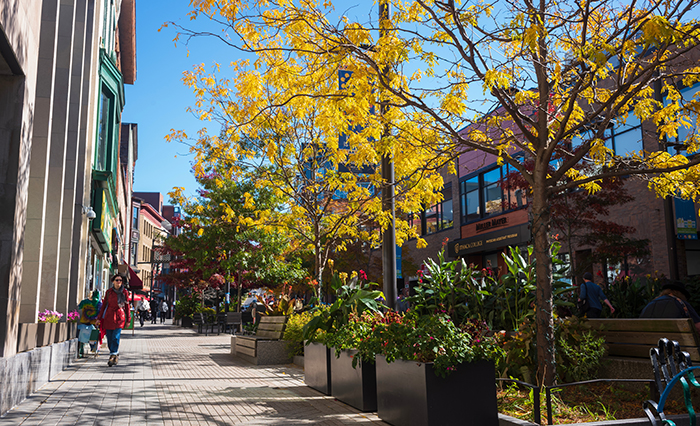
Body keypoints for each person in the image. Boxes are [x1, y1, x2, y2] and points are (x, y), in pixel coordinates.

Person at [97, 274, 131, 367]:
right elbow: (103, 306)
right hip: (109, 317)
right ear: (113, 281)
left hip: (119, 317)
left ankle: (112, 355)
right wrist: (99, 318)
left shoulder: (125, 292)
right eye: (117, 280)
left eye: (120, 280)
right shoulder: (109, 292)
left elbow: (127, 306)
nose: (119, 282)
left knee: (115, 337)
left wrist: (128, 319)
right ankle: (115, 353)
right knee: (109, 338)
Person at [77, 290, 101, 357]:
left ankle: (81, 350)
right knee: (93, 337)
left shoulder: (84, 302)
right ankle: (93, 348)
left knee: (82, 338)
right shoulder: (99, 304)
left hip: (84, 323)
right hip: (93, 324)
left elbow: (79, 308)